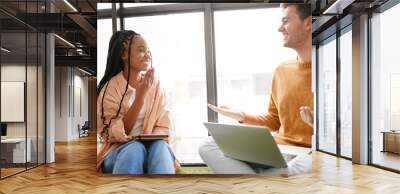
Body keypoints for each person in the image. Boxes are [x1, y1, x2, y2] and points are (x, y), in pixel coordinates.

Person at [199, 3, 313, 175]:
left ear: (308, 23)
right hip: (280, 147)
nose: (279, 28)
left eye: (286, 21)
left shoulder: (330, 67)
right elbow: (274, 121)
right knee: (207, 145)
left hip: (311, 152)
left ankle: (257, 183)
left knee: (290, 169)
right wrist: (242, 116)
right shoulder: (282, 70)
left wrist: (316, 124)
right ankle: (262, 183)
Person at [97, 30, 179, 174]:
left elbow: (164, 126)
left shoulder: (156, 85)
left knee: (160, 147)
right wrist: (140, 98)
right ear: (123, 55)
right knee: (135, 148)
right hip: (118, 151)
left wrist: (151, 140)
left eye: (148, 51)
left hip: (152, 147)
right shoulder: (110, 89)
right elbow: (115, 133)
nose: (147, 55)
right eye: (141, 50)